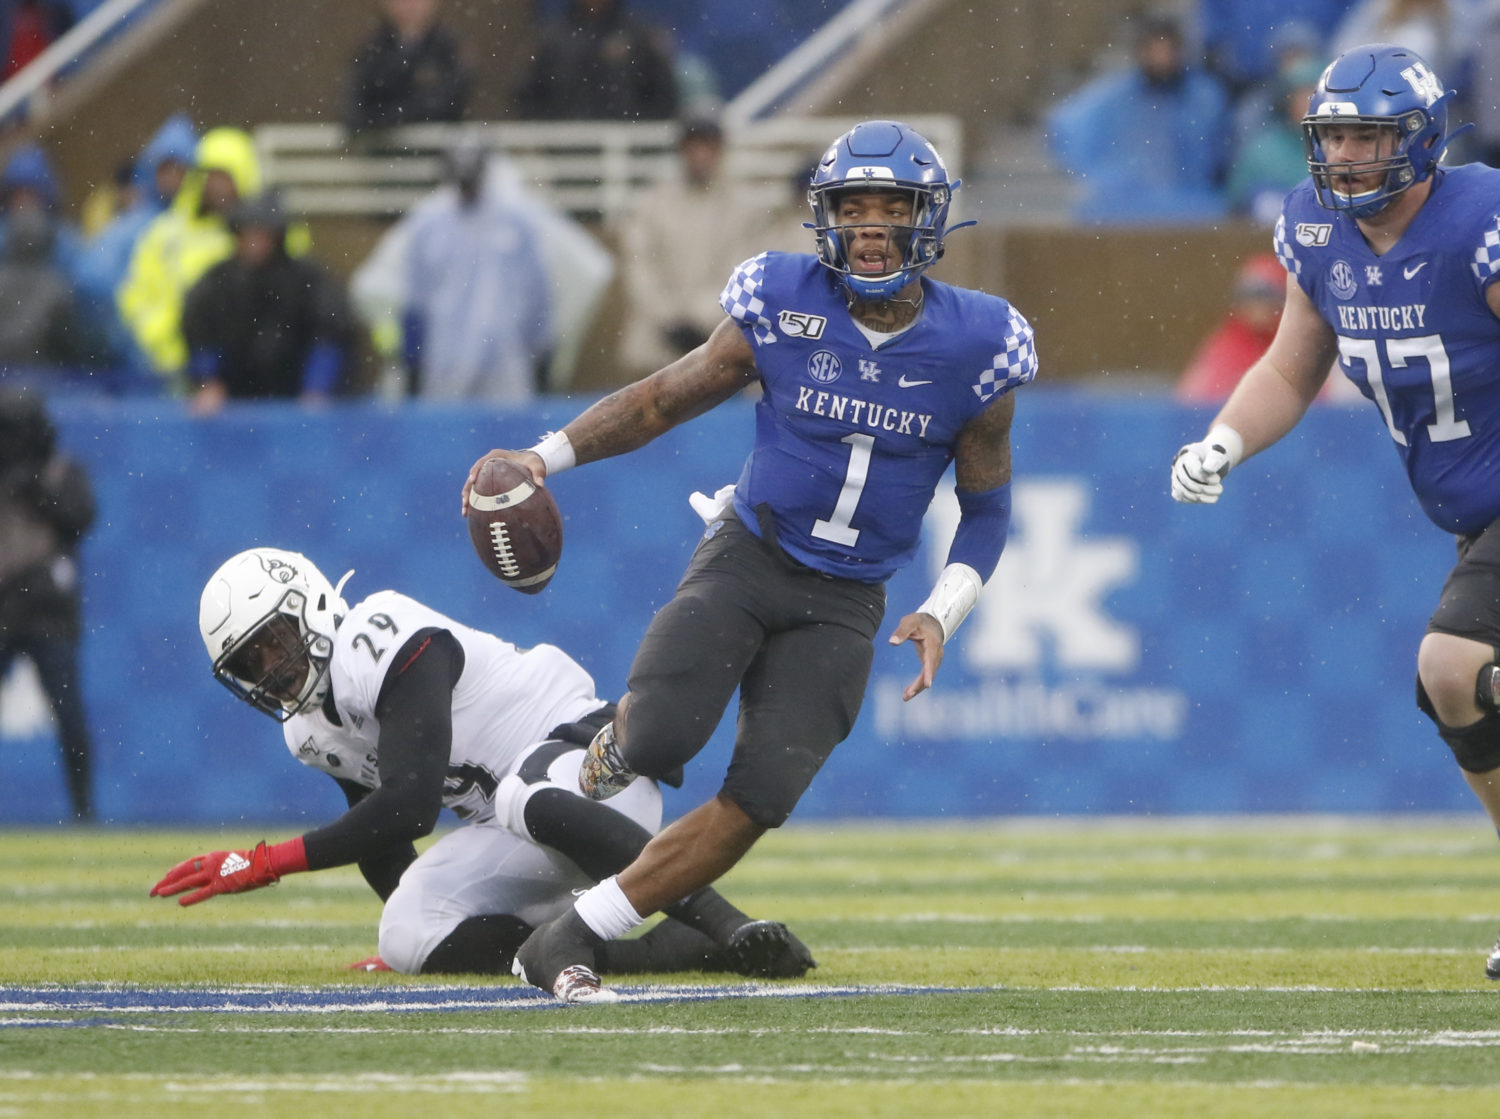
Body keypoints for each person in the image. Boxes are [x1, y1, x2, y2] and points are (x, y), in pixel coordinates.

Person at [462, 119, 1036, 1002]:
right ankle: (607, 737)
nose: (872, 225)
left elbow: (988, 508)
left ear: (931, 218)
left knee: (760, 797)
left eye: (893, 206)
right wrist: (547, 456)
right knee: (656, 740)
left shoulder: (980, 342)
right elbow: (660, 399)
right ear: (824, 216)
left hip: (848, 599)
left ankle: (575, 932)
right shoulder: (779, 296)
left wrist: (942, 608)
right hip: (750, 555)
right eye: (853, 206)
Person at [1169, 43, 1500, 979]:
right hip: (1478, 513)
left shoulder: (1482, 222)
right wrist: (1223, 441)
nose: (1349, 154)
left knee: (1455, 659)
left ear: (1425, 139)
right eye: (1336, 134)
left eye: (1370, 135)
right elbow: (1289, 364)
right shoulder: (1315, 225)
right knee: (1453, 691)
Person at [150, 546, 814, 981]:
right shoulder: (307, 730)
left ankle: (732, 923)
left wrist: (267, 861)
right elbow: (383, 834)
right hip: (518, 831)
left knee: (516, 794)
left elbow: (410, 800)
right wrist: (423, 939)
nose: (273, 668)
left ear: (313, 605)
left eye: (274, 640)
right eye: (250, 663)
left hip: (594, 779)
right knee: (405, 932)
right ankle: (655, 951)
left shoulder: (377, 631)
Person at [0, 390, 95, 822]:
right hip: (4, 609)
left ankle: (83, 811)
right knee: (69, 714)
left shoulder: (59, 471)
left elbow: (83, 516)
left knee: (69, 715)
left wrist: (40, 492)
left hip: (48, 613)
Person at [399, 139, 553, 400]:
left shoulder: (515, 221)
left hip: (505, 362)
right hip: (445, 362)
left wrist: (541, 353)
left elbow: (538, 293)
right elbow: (415, 298)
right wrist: (413, 358)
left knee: (510, 439)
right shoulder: (427, 223)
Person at [1045, 12, 1232, 223]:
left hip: (1192, 203)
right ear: (1140, 52)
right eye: (1153, 50)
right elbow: (1064, 128)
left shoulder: (1205, 96)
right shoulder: (1115, 96)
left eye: (1167, 50)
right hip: (1127, 205)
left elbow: (1220, 154)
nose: (1160, 58)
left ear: (1181, 52)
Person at [117, 126, 263, 396]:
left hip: (244, 376)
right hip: (168, 371)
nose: (217, 186)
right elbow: (136, 295)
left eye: (226, 176)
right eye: (210, 176)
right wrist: (161, 343)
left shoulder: (262, 237)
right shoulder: (164, 234)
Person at [615, 113, 764, 379]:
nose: (700, 155)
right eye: (692, 146)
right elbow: (640, 266)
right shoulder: (651, 203)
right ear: (681, 151)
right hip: (655, 346)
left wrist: (700, 320)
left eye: (707, 146)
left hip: (719, 344)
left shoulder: (744, 207)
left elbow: (742, 270)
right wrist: (668, 320)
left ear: (720, 150)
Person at [181, 191, 356, 414]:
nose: (255, 243)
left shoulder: (307, 280)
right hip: (234, 404)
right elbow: (200, 333)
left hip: (294, 401)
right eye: (248, 233)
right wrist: (209, 381)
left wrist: (317, 388)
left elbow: (331, 333)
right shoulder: (218, 281)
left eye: (263, 234)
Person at [513, 0, 678, 122]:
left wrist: (638, 127)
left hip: (628, 153)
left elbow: (663, 97)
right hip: (561, 153)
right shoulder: (551, 41)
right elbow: (526, 98)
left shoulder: (639, 37)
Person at [344, 0, 473, 135]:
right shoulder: (372, 49)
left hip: (436, 147)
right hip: (382, 151)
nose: (408, 5)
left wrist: (391, 117)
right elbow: (353, 105)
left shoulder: (450, 48)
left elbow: (450, 101)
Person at [1227, 57, 1327, 226]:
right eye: (1302, 96)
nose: (1309, 103)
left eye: (1314, 94)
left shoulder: (1345, 148)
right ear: (1287, 100)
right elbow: (1235, 209)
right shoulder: (1260, 152)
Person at [1175, 254, 1286, 403]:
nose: (1257, 305)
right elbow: (1193, 398)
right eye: (1249, 296)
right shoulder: (1226, 343)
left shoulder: (1292, 341)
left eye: (1265, 296)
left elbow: (1319, 400)